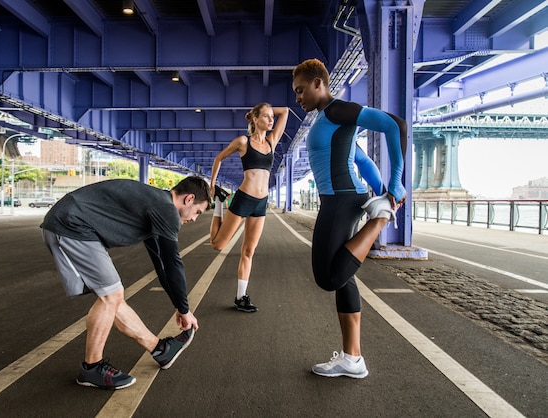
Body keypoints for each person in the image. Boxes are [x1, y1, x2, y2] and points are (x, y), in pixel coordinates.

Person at [292, 58, 407, 378]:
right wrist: (381, 187)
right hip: (341, 198)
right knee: (343, 276)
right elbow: (361, 158)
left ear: (319, 84)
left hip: (342, 201)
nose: (298, 97)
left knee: (328, 277)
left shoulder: (337, 110)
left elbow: (396, 125)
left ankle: (381, 218)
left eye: (301, 90)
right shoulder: (328, 121)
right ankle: (352, 358)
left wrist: (395, 185)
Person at [41, 176, 211, 389]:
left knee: (113, 298)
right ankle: (91, 367)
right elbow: (172, 262)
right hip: (71, 225)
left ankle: (160, 350)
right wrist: (185, 311)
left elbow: (161, 263)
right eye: (197, 212)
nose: (195, 219)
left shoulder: (156, 206)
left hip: (75, 224)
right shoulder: (166, 209)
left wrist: (179, 306)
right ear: (189, 199)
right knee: (111, 296)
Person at [209, 103, 289, 312]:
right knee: (218, 245)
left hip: (261, 203)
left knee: (249, 251)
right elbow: (219, 158)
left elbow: (286, 111)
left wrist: (266, 109)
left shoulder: (271, 141)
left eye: (272, 117)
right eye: (266, 116)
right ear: (255, 119)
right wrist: (212, 184)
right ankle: (219, 203)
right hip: (244, 198)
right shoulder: (243, 142)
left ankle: (241, 296)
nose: (271, 120)